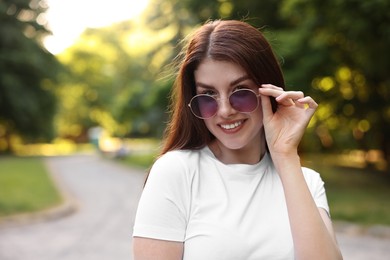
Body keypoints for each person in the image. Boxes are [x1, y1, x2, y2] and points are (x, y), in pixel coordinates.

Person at [132, 20, 343, 260]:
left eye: (240, 91)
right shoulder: (177, 171)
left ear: (269, 90)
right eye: (208, 95)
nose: (224, 110)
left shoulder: (307, 182)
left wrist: (285, 154)